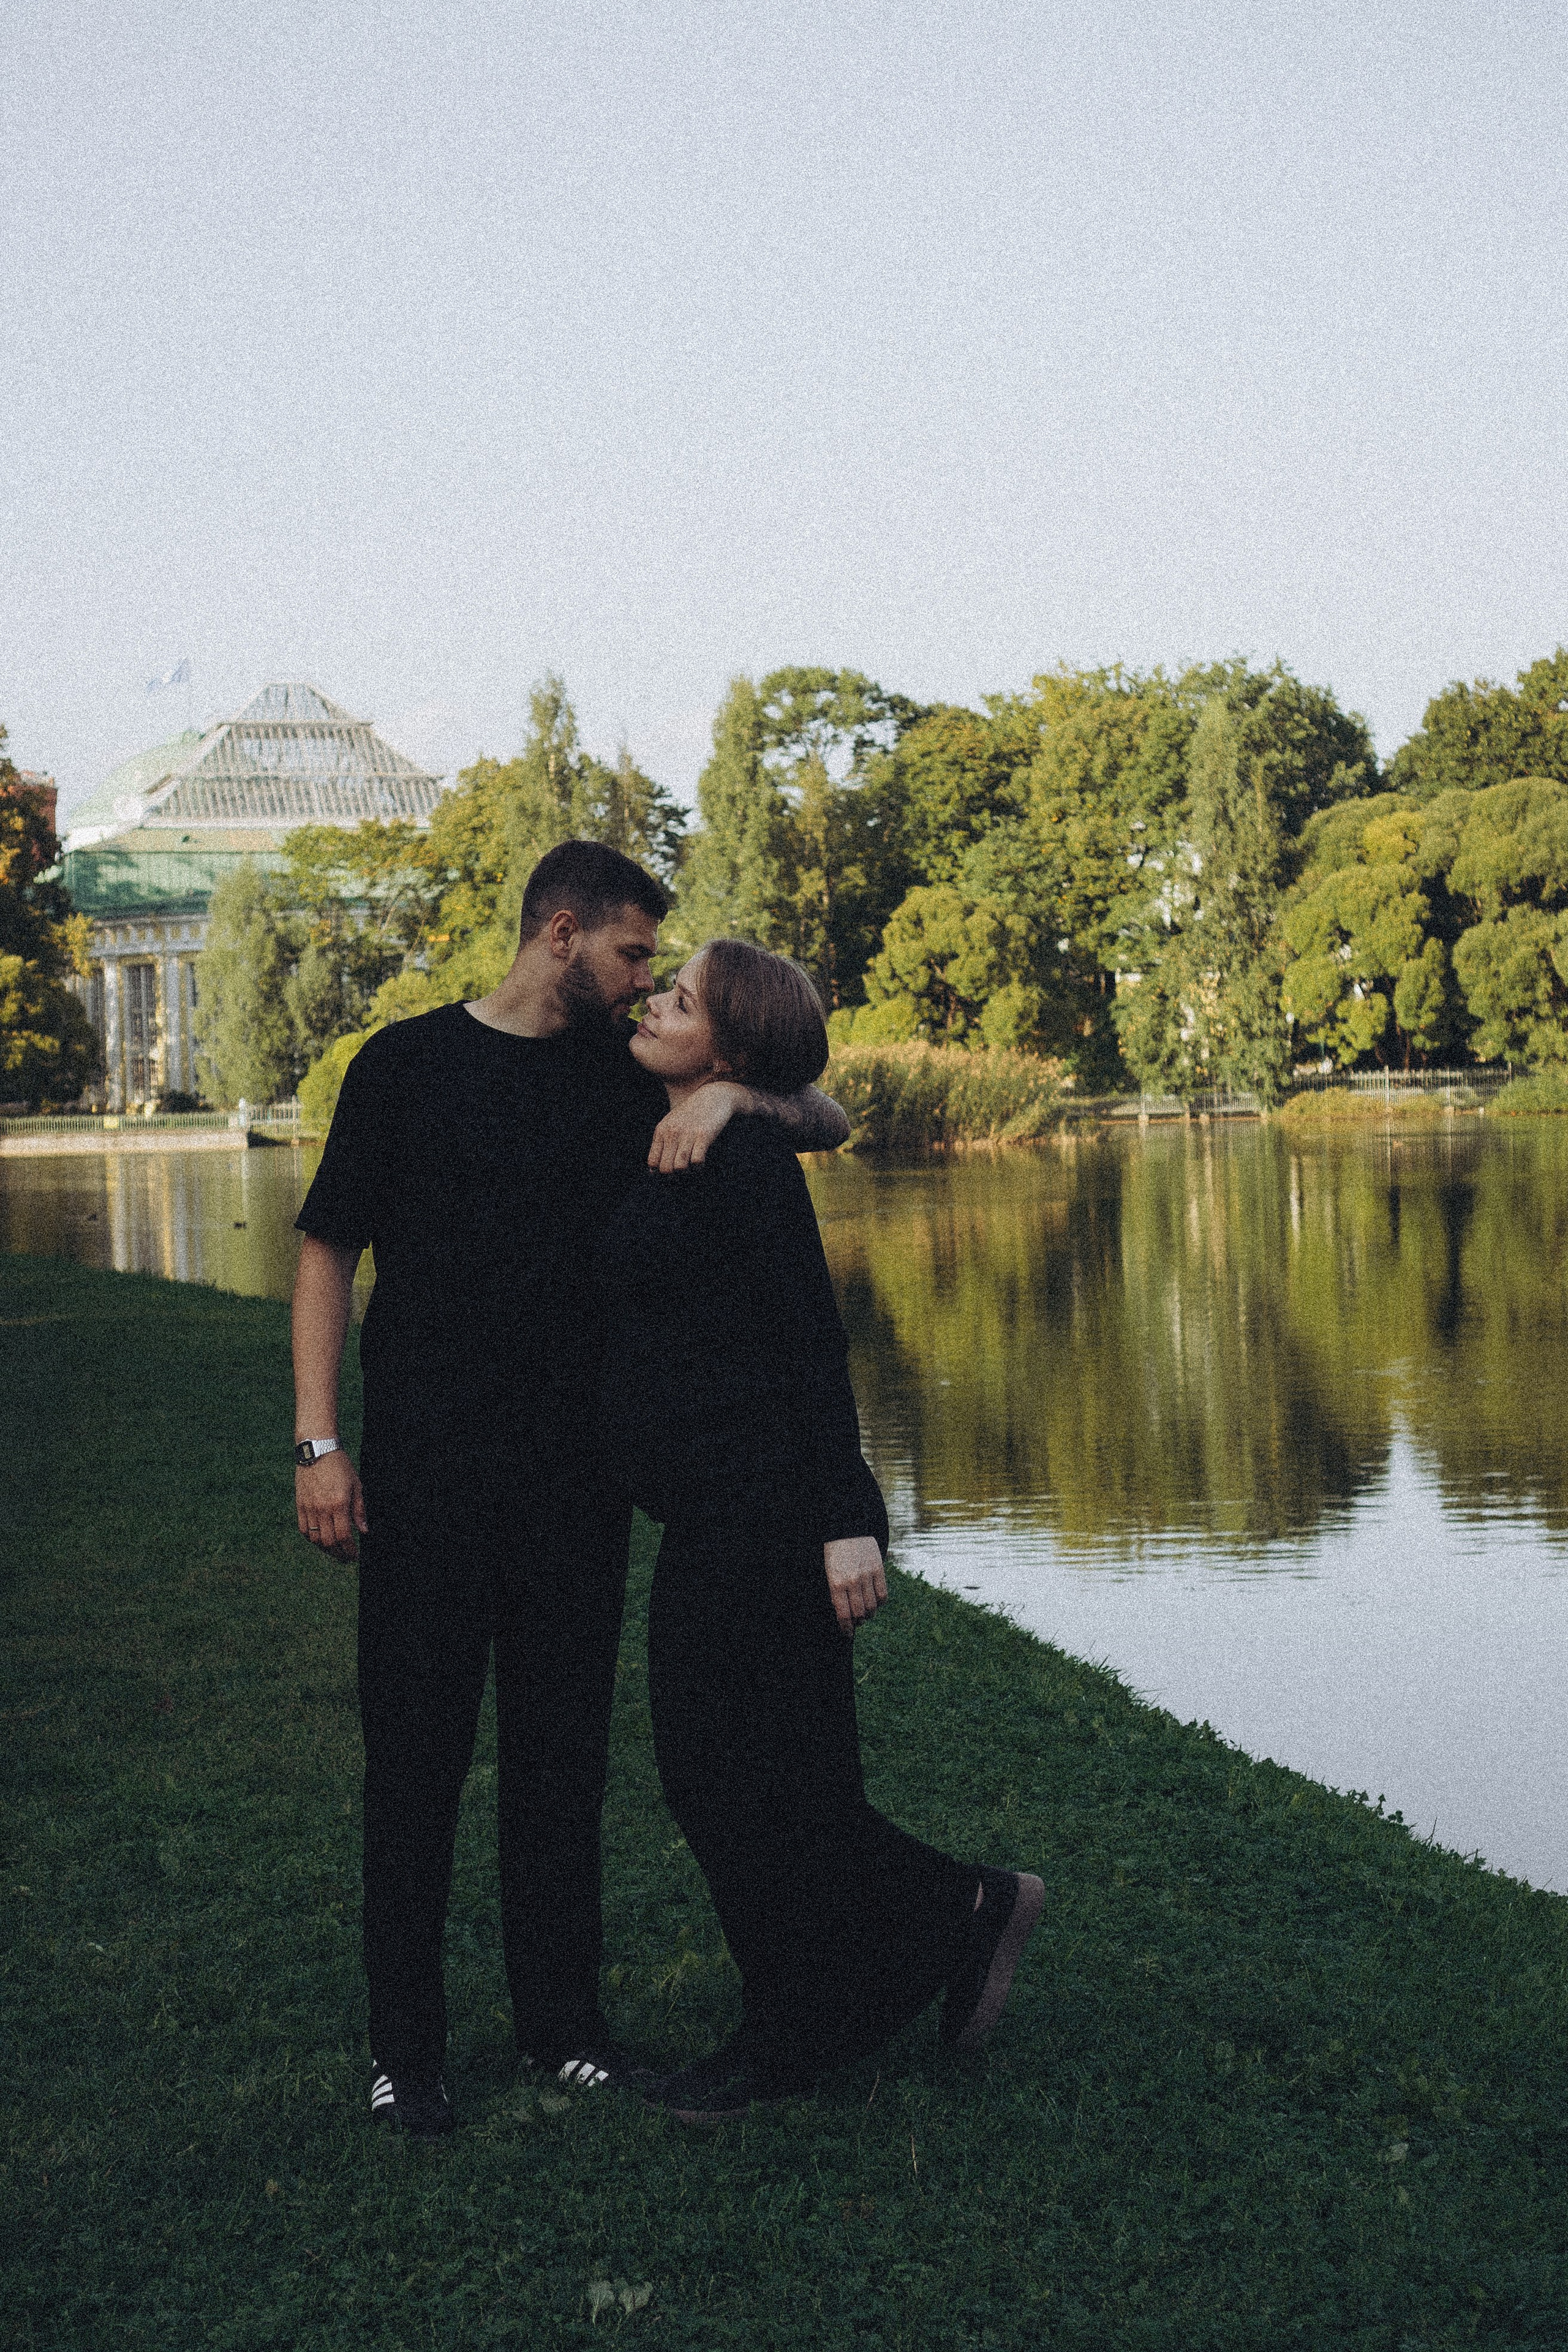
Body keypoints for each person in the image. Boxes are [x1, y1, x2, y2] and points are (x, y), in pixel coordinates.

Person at [290, 842, 849, 2139]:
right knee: (414, 1767)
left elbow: (826, 1109)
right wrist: (319, 1446)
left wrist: (733, 1105)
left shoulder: (627, 1078)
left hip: (577, 1490)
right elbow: (325, 1249)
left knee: (559, 1769)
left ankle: (562, 2033)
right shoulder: (406, 1066)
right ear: (559, 932)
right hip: (424, 1483)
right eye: (633, 955)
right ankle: (406, 2057)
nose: (643, 980)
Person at [595, 938, 1044, 2123]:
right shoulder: (691, 1111)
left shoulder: (738, 1158)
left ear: (729, 1048)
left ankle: (831, 2001)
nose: (652, 1001)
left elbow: (808, 1345)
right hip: (712, 1507)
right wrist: (731, 1090)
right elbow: (827, 1104)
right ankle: (916, 1944)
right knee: (757, 1784)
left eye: (678, 1000)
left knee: (745, 1782)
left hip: (771, 1512)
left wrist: (849, 1519)